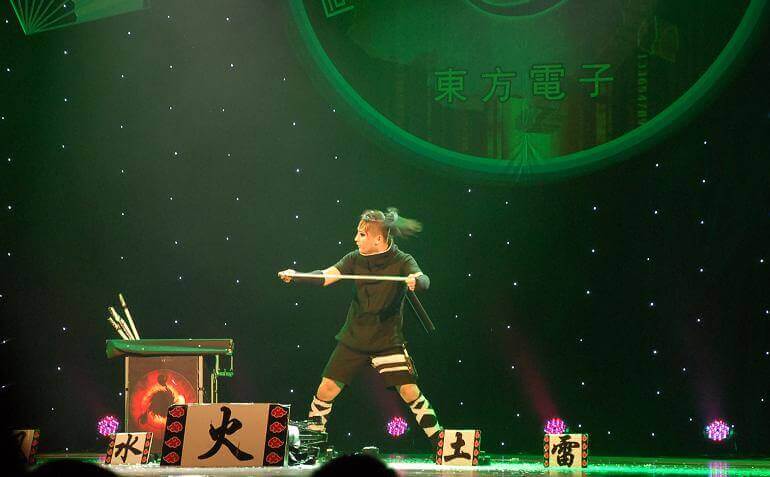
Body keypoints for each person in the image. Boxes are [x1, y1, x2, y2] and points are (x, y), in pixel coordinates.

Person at [278, 208, 442, 445]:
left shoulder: (402, 260)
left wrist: (416, 281)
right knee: (326, 389)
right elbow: (326, 276)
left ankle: (441, 442)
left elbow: (423, 280)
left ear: (378, 238)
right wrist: (297, 275)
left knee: (409, 391)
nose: (356, 238)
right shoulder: (354, 258)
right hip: (354, 338)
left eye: (362, 234)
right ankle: (312, 442)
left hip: (387, 341)